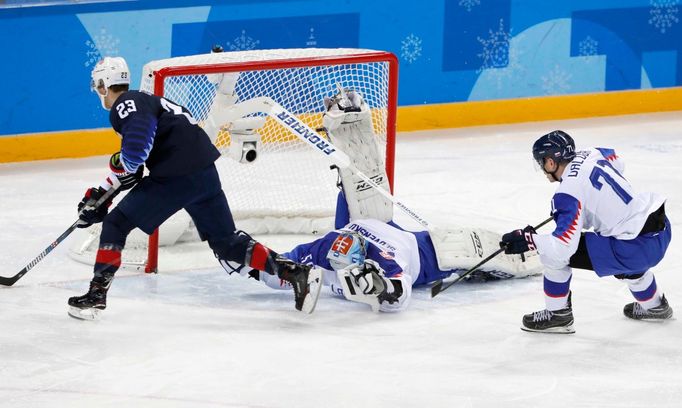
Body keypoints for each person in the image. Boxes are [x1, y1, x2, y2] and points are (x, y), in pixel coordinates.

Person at [68, 57, 321, 320]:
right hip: (204, 173)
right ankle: (295, 273)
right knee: (227, 243)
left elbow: (133, 156)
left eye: (98, 87)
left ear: (103, 85)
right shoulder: (148, 101)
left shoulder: (125, 104)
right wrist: (102, 194)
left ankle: (96, 295)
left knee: (115, 225)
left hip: (175, 176)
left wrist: (109, 181)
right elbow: (135, 167)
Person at [226, 190, 543, 312]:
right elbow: (282, 268)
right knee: (347, 190)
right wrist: (246, 261)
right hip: (376, 227)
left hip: (429, 253)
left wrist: (382, 288)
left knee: (503, 257)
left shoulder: (385, 257)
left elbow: (399, 297)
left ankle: (541, 251)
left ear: (364, 256)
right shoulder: (323, 248)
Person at [500, 130, 672, 334]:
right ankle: (655, 306)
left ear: (551, 162)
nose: (542, 169)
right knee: (618, 241)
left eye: (541, 162)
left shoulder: (567, 195)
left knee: (553, 256)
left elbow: (562, 248)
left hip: (633, 249)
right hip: (659, 230)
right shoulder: (592, 153)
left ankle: (558, 315)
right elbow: (617, 161)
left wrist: (530, 240)